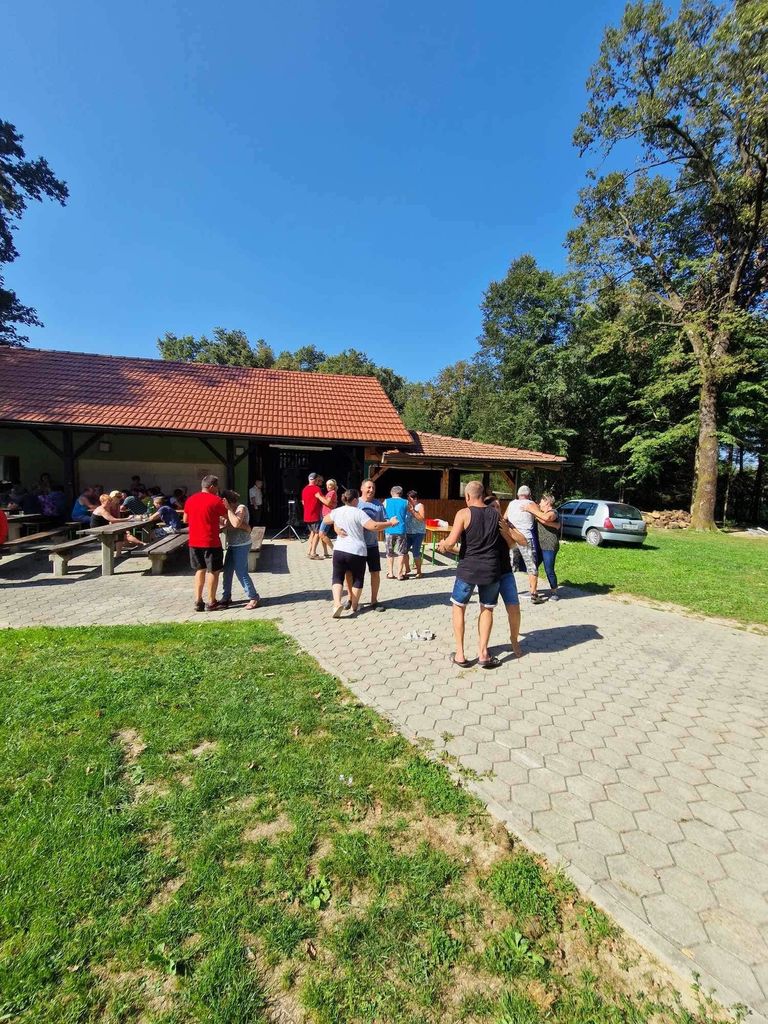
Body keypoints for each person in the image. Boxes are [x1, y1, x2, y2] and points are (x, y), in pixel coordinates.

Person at [437, 480, 505, 669]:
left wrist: (443, 545)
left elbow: (451, 542)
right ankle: (483, 654)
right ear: (483, 495)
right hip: (491, 569)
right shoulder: (496, 514)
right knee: (487, 608)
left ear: (467, 496)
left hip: (468, 569)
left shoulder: (463, 513)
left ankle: (460, 655)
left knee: (459, 607)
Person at [322, 489, 396, 617]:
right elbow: (374, 526)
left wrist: (337, 525)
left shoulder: (337, 511)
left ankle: (337, 604)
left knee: (337, 577)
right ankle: (355, 607)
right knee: (358, 579)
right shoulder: (359, 513)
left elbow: (325, 519)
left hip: (339, 550)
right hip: (356, 551)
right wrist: (391, 523)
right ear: (356, 500)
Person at [486, 493, 528, 657]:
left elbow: (522, 541)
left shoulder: (506, 523)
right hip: (488, 574)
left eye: (498, 506)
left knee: (514, 608)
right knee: (487, 610)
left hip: (505, 573)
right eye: (492, 506)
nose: (496, 509)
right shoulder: (483, 523)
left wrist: (507, 530)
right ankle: (483, 646)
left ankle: (514, 639)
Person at [183, 474, 228, 612]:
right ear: (212, 486)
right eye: (217, 487)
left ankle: (198, 601)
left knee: (199, 570)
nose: (218, 489)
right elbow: (227, 517)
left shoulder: (190, 499)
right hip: (211, 542)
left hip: (194, 541)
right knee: (213, 571)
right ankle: (212, 601)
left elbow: (185, 519)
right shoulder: (216, 500)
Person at [220, 489, 261, 610]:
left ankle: (254, 597)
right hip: (232, 544)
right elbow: (228, 524)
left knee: (240, 571)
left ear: (228, 501)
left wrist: (228, 510)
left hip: (242, 544)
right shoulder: (230, 510)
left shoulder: (241, 508)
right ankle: (226, 596)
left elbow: (236, 523)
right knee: (227, 571)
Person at [504, 485, 546, 604]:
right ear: (529, 495)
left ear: (518, 495)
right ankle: (534, 594)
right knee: (531, 565)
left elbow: (504, 518)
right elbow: (541, 517)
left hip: (513, 537)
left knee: (511, 565)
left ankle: (507, 590)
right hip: (526, 538)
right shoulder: (531, 504)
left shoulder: (512, 504)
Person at [357, 478, 387, 609]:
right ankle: (352, 600)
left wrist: (386, 524)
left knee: (375, 573)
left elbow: (384, 522)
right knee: (354, 574)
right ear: (362, 488)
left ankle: (374, 601)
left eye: (373, 488)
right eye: (368, 487)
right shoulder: (355, 503)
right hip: (357, 546)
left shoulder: (378, 505)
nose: (371, 490)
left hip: (372, 545)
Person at [536, 493, 561, 600]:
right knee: (533, 567)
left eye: (541, 502)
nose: (539, 504)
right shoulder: (540, 513)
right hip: (539, 545)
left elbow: (546, 518)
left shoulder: (554, 512)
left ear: (547, 502)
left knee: (549, 569)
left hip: (549, 545)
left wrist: (533, 512)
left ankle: (554, 592)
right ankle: (533, 591)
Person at [383, 485, 409, 580]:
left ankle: (390, 573)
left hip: (389, 529)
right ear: (401, 493)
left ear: (391, 492)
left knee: (389, 552)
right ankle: (400, 574)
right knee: (401, 552)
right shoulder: (406, 502)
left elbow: (382, 513)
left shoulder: (386, 501)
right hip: (401, 529)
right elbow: (408, 514)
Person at [301, 472, 325, 559]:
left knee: (312, 533)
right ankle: (313, 553)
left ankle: (309, 551)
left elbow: (303, 503)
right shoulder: (316, 489)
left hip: (307, 515)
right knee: (317, 533)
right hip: (315, 515)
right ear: (316, 479)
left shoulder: (304, 489)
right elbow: (323, 500)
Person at [403, 489, 426, 578]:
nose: (408, 500)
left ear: (415, 498)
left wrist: (413, 511)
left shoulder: (420, 506)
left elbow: (421, 518)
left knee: (416, 553)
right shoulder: (407, 507)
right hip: (408, 533)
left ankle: (419, 571)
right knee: (404, 551)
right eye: (408, 498)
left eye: (410, 499)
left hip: (418, 533)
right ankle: (407, 569)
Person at [317, 478, 339, 558]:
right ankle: (325, 552)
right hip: (325, 515)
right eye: (327, 485)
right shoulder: (331, 493)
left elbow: (327, 502)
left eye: (330, 485)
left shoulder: (332, 492)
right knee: (323, 535)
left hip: (327, 516)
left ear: (333, 486)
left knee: (321, 534)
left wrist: (319, 496)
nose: (328, 486)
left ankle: (335, 550)